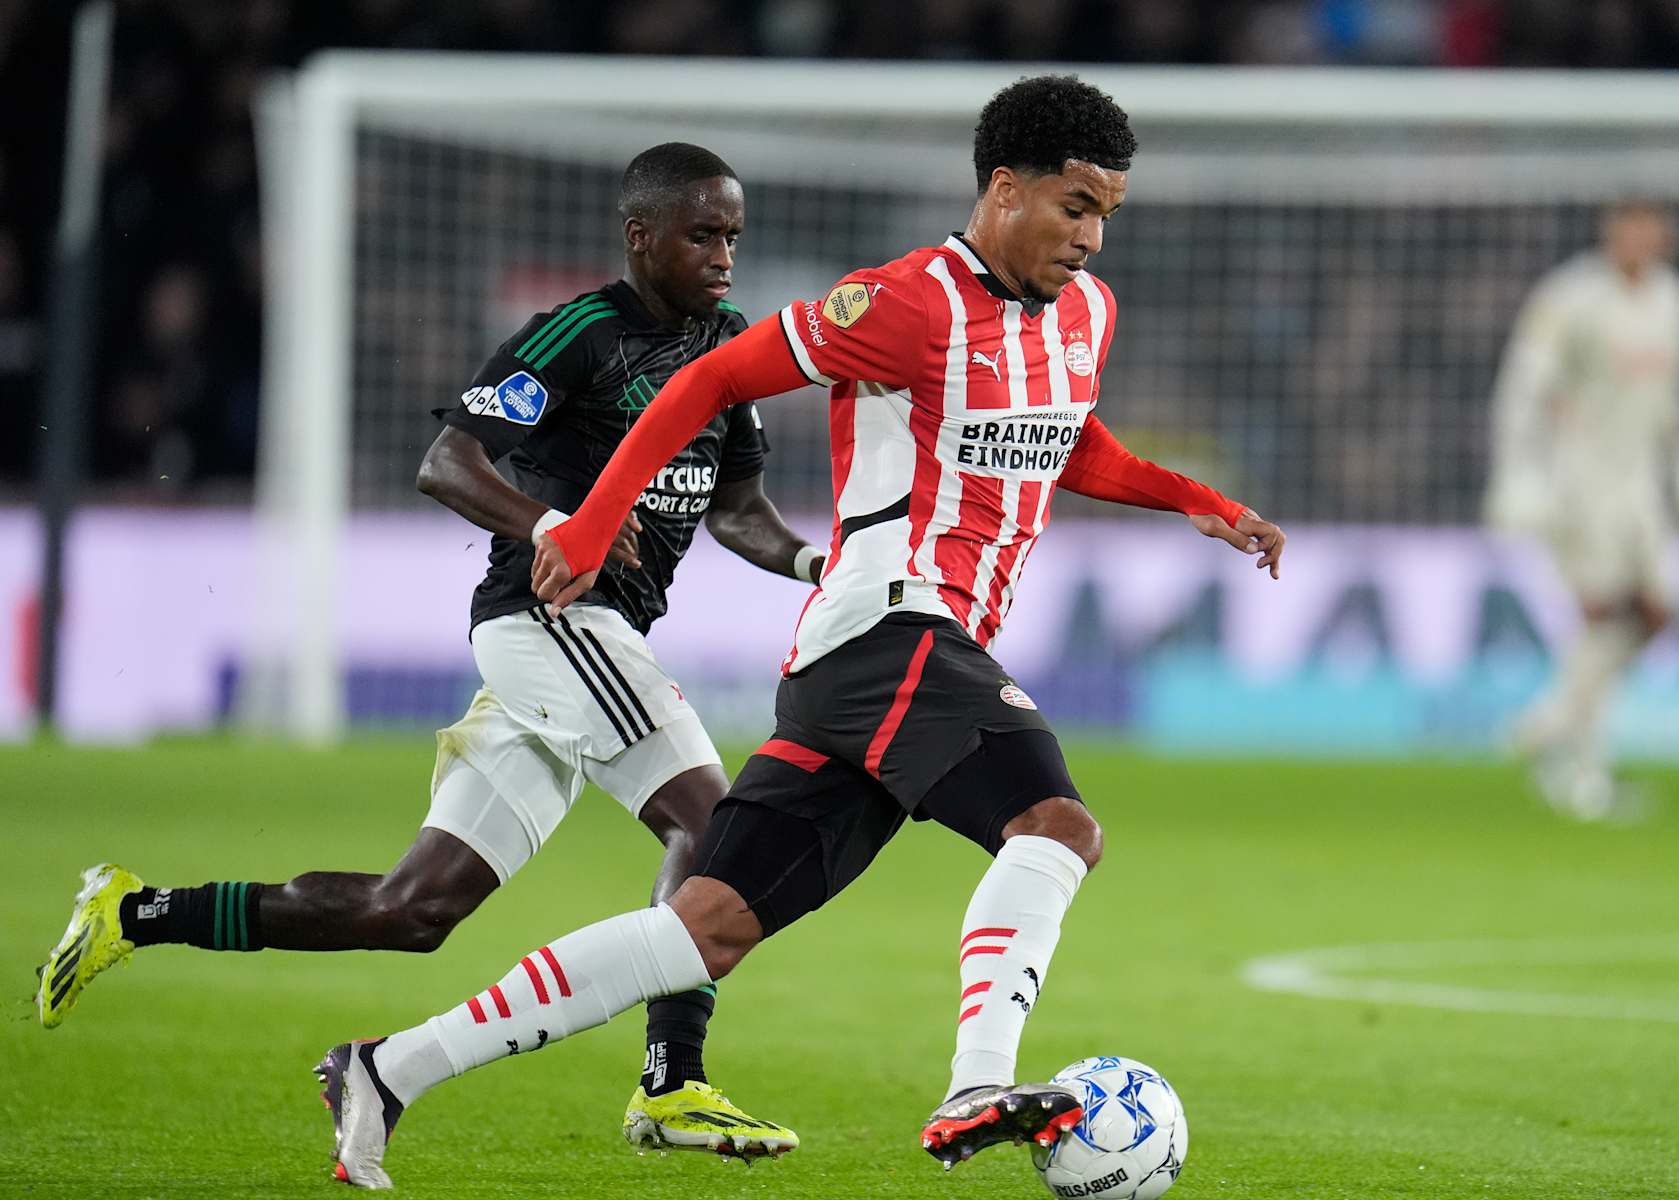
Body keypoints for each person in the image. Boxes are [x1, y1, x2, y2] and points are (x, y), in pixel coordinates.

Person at [314, 76, 1286, 1189]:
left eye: (1107, 210)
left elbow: (1069, 440)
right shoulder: (903, 303)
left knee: (703, 929)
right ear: (1005, 188)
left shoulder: (1085, 313)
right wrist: (588, 521)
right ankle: (978, 1080)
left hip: (863, 673)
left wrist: (1197, 501)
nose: (1091, 234)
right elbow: (715, 377)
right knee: (1056, 825)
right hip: (892, 625)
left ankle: (388, 1068)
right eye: (1074, 205)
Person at [36, 142, 809, 1160]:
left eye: (734, 236)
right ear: (642, 234)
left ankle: (134, 912)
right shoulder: (582, 334)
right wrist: (550, 525)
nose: (723, 255)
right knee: (720, 831)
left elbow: (740, 507)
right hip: (550, 620)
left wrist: (812, 563)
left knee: (412, 910)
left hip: (585, 646)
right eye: (704, 233)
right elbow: (447, 461)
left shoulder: (726, 348)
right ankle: (673, 1084)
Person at [1485, 200, 1679, 820]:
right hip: (1579, 479)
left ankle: (1549, 722)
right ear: (1611, 231)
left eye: (1652, 225)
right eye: (1629, 224)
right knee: (1600, 613)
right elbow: (1522, 388)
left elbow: (1673, 400)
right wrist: (1518, 476)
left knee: (1659, 612)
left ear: (1665, 235)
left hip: (1641, 482)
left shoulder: (1673, 298)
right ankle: (1578, 768)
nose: (1640, 237)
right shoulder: (1569, 297)